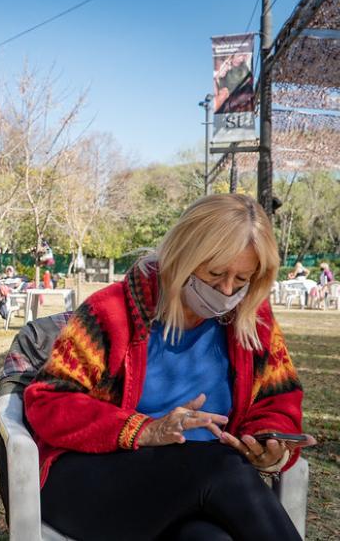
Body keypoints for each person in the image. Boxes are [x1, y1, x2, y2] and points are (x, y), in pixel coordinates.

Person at [23, 194, 314, 541]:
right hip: (92, 485)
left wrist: (267, 440)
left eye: (241, 279)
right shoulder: (111, 311)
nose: (226, 290)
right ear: (182, 255)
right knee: (223, 466)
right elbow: (48, 401)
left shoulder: (253, 320)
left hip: (196, 496)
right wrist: (145, 430)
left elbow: (278, 401)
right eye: (215, 273)